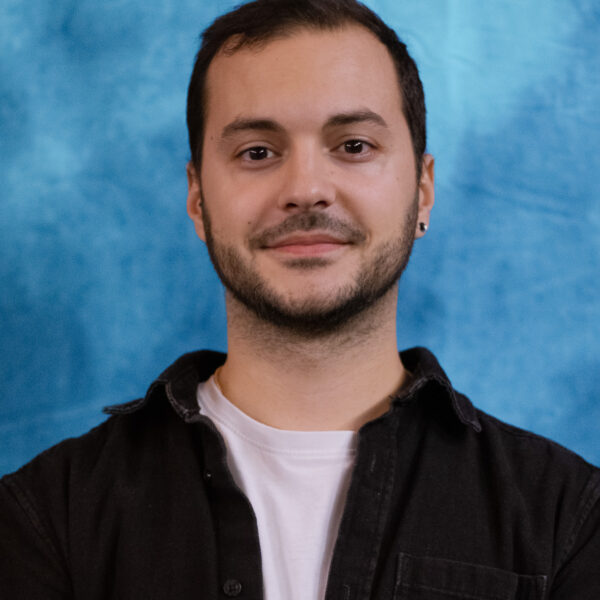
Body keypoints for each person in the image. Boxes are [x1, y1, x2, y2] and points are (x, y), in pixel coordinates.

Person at [1, 0, 599, 598]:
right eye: (257, 152)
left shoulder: (569, 521)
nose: (307, 189)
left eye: (354, 146)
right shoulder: (45, 521)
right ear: (198, 200)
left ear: (422, 191)